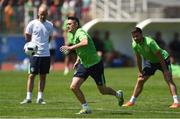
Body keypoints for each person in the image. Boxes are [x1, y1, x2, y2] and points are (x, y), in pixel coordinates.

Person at [60, 17, 124, 114]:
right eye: (67, 24)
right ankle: (86, 108)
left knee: (102, 90)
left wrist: (70, 47)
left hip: (95, 65)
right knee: (74, 87)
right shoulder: (72, 35)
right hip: (84, 64)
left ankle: (118, 94)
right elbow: (80, 49)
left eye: (70, 24)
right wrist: (78, 60)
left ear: (76, 24)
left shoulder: (80, 32)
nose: (68, 25)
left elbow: (85, 42)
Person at [122, 27, 179, 108]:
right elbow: (138, 58)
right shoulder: (134, 44)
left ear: (141, 35)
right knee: (140, 80)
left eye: (137, 36)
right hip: (151, 61)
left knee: (168, 79)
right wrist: (140, 71)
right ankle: (132, 101)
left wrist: (166, 70)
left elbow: (159, 56)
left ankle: (176, 102)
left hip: (162, 59)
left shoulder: (150, 42)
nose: (135, 38)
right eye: (133, 37)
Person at [20, 5, 53, 104]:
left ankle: (40, 98)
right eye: (41, 14)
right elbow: (27, 35)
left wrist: (45, 45)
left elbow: (49, 38)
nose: (42, 16)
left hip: (46, 54)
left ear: (47, 14)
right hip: (35, 55)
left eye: (44, 14)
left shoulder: (50, 25)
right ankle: (28, 97)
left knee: (43, 76)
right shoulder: (32, 23)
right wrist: (29, 46)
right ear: (38, 13)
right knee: (31, 75)